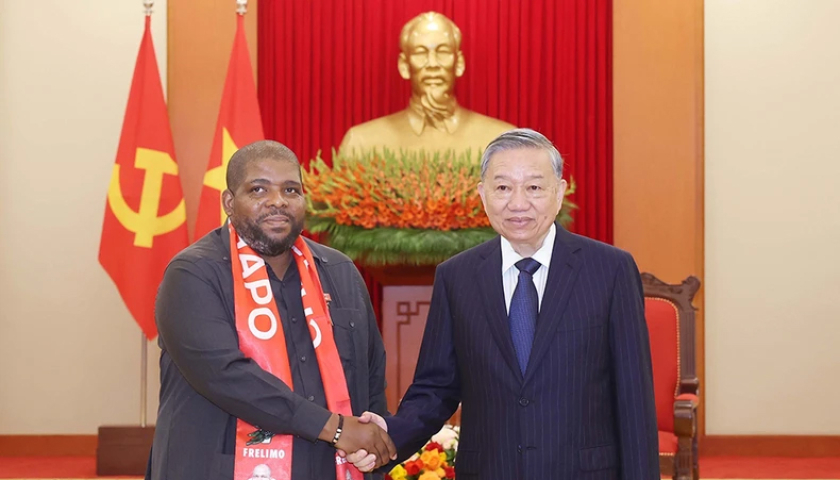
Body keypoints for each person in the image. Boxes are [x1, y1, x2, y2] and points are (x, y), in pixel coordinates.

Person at [348, 129, 659, 479]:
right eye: (503, 188)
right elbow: (436, 387)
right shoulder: (457, 276)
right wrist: (390, 434)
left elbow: (634, 399)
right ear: (483, 195)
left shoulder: (610, 270)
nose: (518, 203)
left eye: (534, 187)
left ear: (559, 192)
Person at [147, 140, 396, 480]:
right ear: (229, 202)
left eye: (291, 190)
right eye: (258, 189)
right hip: (217, 467)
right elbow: (228, 377)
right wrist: (336, 429)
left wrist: (371, 445)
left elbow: (371, 374)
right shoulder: (193, 274)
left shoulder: (339, 272)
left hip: (329, 468)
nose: (278, 201)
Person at [338, 11, 515, 158]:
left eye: (443, 51)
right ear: (404, 66)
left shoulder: (502, 142)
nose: (432, 63)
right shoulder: (362, 144)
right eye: (420, 53)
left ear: (459, 63)